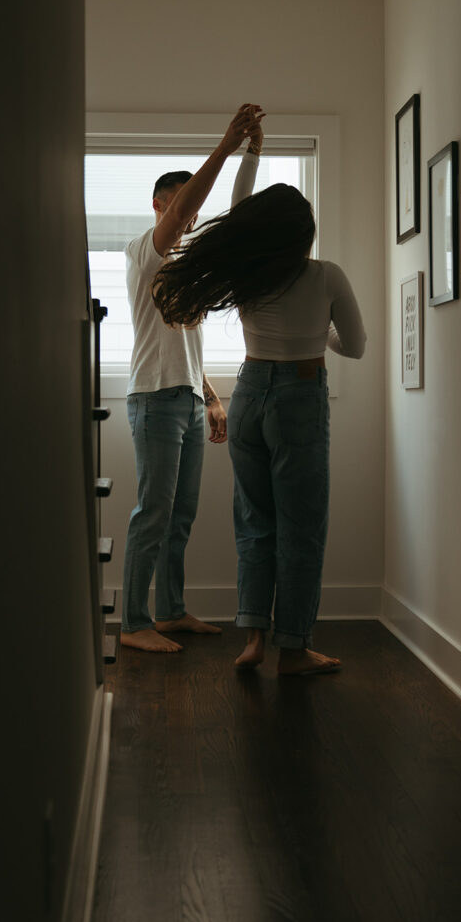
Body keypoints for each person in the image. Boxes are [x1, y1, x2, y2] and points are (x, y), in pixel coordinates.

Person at [152, 179, 367, 675]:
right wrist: (320, 330)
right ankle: (292, 648)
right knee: (301, 528)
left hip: (247, 395)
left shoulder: (245, 273)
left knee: (254, 522)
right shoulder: (325, 275)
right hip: (299, 395)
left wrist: (249, 153)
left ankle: (252, 639)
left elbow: (238, 211)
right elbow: (353, 345)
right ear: (302, 236)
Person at [121, 104, 265, 654]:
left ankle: (170, 612)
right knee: (151, 513)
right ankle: (133, 623)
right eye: (182, 206)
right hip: (153, 400)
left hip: (183, 398)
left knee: (180, 515)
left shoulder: (187, 267)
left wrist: (211, 398)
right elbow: (185, 212)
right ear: (162, 205)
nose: (190, 218)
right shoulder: (144, 252)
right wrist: (226, 145)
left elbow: (185, 342)